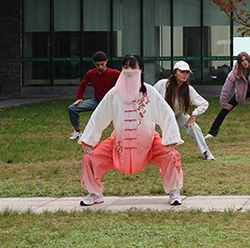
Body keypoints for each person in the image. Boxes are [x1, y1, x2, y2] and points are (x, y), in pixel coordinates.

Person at [79, 54, 184, 206]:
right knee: (90, 158)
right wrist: (88, 140)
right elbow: (99, 115)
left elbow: (165, 112)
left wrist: (171, 138)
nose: (129, 71)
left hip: (149, 142)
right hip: (118, 144)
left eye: (133, 67)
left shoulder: (149, 92)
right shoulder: (114, 93)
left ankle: (174, 192)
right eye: (126, 67)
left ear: (140, 70)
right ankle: (95, 193)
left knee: (171, 155)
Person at [154, 60, 214, 161]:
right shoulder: (163, 84)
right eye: (182, 72)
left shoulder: (188, 89)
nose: (185, 75)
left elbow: (204, 103)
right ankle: (141, 154)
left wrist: (194, 114)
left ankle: (206, 152)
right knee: (146, 129)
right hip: (160, 116)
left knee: (194, 128)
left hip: (178, 115)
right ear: (175, 73)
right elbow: (149, 96)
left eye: (187, 73)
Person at [68, 51, 120, 141]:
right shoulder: (91, 73)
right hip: (97, 101)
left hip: (111, 102)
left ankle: (122, 134)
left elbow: (126, 82)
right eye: (98, 65)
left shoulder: (114, 73)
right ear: (94, 63)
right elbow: (82, 84)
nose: (100, 67)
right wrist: (79, 98)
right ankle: (77, 132)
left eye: (102, 64)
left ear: (106, 62)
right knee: (72, 108)